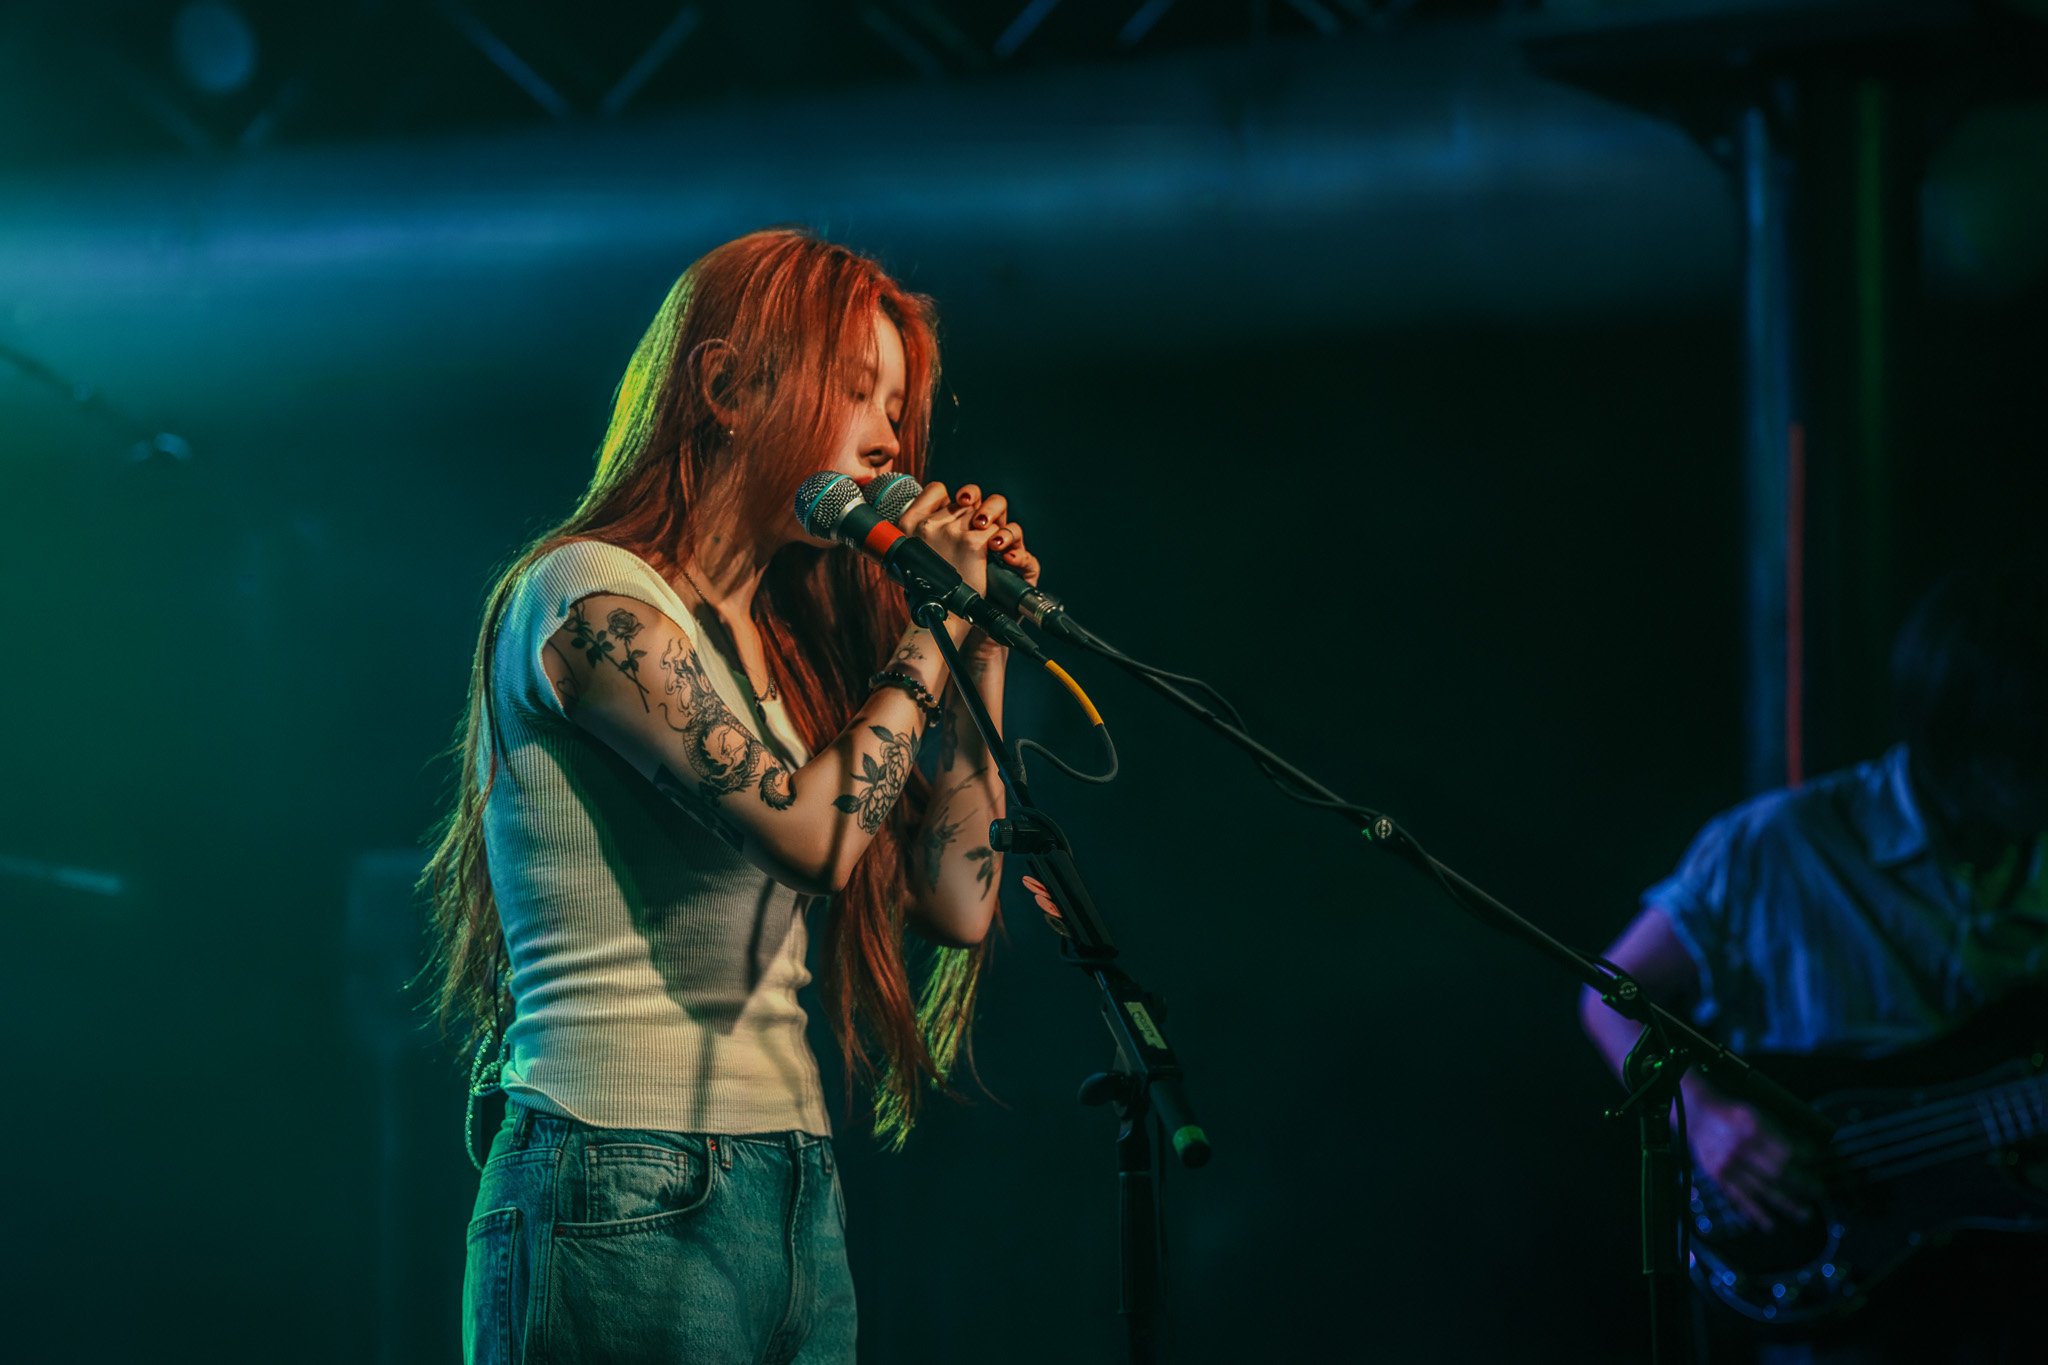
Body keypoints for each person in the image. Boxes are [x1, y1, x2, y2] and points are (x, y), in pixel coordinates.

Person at [420, 228, 1040, 1364]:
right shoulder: (587, 599)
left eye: (899, 408)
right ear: (723, 387)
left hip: (788, 1178)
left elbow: (956, 903)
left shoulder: (782, 650)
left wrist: (977, 646)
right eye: (856, 391)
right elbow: (813, 838)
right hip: (621, 1175)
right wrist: (933, 625)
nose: (890, 439)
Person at [1581, 559, 2048, 1363]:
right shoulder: (1777, 844)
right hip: (1853, 1298)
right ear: (1963, 741)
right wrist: (1711, 1119)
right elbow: (1609, 995)